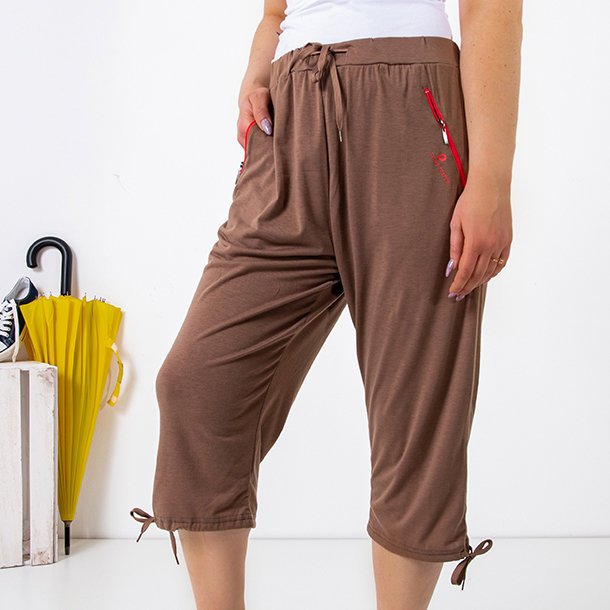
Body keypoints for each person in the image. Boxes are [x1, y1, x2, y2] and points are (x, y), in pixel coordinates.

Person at [130, 0, 522, 607]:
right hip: (288, 120)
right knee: (197, 384)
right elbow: (274, 13)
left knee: (413, 407)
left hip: (410, 108)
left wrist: (492, 179)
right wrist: (256, 75)